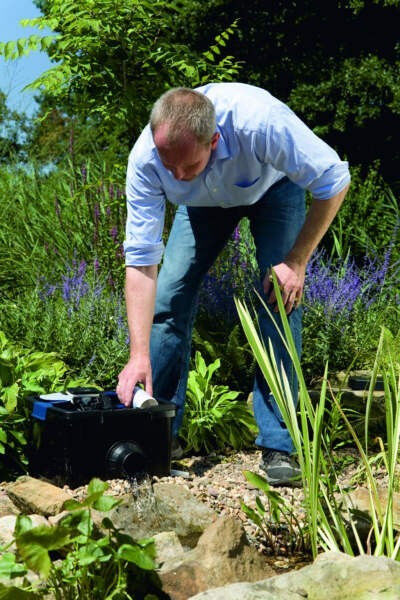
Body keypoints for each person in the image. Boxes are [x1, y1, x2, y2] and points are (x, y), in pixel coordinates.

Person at [116, 82, 350, 487]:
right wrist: (138, 354)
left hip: (272, 188)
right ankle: (158, 436)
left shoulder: (261, 123)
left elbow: (334, 179)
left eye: (187, 166)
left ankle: (280, 443)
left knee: (279, 299)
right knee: (168, 299)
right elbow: (141, 262)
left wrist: (297, 261)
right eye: (169, 165)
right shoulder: (148, 158)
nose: (176, 176)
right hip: (202, 207)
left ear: (215, 140)